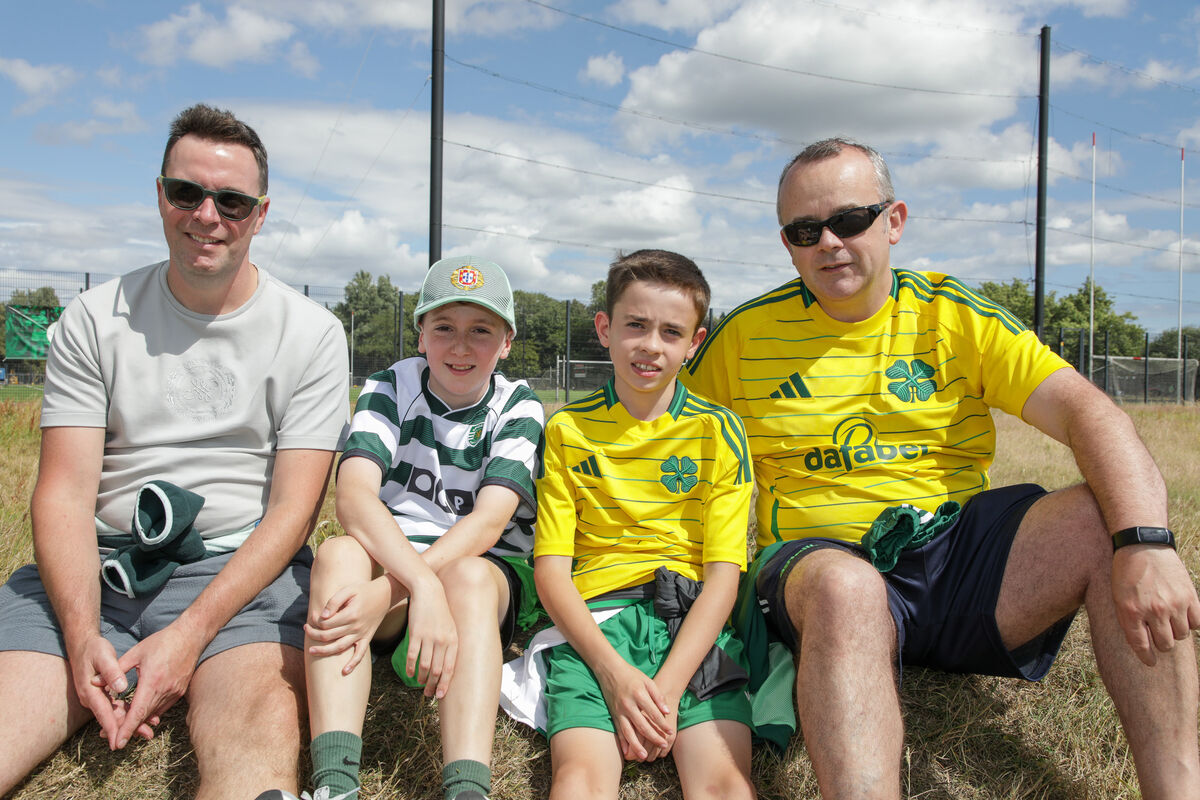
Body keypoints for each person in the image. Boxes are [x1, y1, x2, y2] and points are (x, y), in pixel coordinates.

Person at [682, 137, 1200, 799]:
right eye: (806, 230)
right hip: (823, 569)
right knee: (847, 589)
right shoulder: (745, 337)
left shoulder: (953, 313)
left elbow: (1085, 412)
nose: (829, 243)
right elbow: (666, 445)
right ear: (787, 242)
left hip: (954, 561)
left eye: (850, 220)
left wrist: (1146, 542)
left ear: (894, 221)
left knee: (1107, 520)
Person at [0, 103, 350, 798]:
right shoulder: (92, 320)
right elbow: (64, 494)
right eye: (186, 192)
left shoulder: (311, 333)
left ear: (260, 212)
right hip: (98, 569)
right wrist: (80, 638)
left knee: (255, 755)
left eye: (231, 200)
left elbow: (292, 511)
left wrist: (189, 636)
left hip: (240, 580)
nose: (207, 215)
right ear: (159, 195)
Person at [263, 256, 544, 800]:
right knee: (340, 554)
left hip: (476, 578)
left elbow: (488, 523)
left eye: (480, 331)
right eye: (444, 328)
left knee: (464, 577)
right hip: (399, 569)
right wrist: (413, 584)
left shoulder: (518, 403)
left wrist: (404, 587)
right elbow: (353, 496)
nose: (460, 347)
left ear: (506, 342)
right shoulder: (390, 385)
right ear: (421, 334)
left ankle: (467, 788)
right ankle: (334, 783)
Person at [531, 250, 756, 800]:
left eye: (671, 332)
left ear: (694, 342)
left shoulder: (718, 431)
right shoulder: (566, 430)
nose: (651, 345)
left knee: (724, 783)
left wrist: (670, 687)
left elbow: (723, 578)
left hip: (691, 628)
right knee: (579, 781)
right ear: (605, 329)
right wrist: (611, 673)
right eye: (635, 325)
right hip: (595, 628)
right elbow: (552, 572)